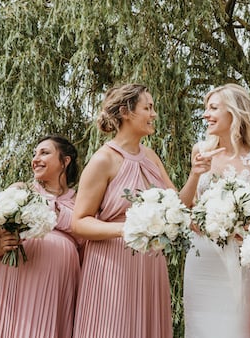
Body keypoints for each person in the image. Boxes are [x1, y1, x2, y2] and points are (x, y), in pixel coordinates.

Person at [72, 84, 176, 338]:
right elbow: (79, 222)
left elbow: (176, 206)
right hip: (113, 263)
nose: (154, 114)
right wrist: (127, 229)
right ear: (125, 112)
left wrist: (196, 173)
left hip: (150, 262)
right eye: (147, 107)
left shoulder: (151, 156)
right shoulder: (103, 160)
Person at [180, 84, 250, 338]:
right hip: (201, 257)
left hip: (238, 259)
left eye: (213, 108)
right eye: (205, 108)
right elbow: (183, 206)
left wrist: (234, 225)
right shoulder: (200, 151)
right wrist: (194, 174)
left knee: (234, 328)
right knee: (198, 328)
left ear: (234, 112)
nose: (205, 114)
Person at [0, 135, 81, 338]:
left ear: (65, 161)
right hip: (12, 280)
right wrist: (2, 245)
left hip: (55, 289)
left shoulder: (81, 201)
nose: (36, 158)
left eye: (44, 153)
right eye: (34, 154)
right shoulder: (20, 190)